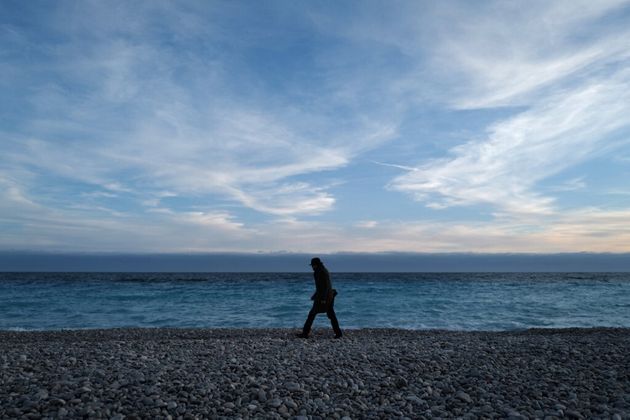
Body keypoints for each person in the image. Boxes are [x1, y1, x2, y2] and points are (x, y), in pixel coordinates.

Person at [297, 257, 342, 339]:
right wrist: (315, 295)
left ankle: (305, 333)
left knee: (312, 314)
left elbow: (325, 287)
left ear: (315, 265)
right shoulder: (321, 270)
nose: (312, 267)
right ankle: (338, 333)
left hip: (324, 297)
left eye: (312, 265)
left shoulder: (321, 272)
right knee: (331, 315)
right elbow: (321, 287)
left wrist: (323, 299)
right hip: (328, 295)